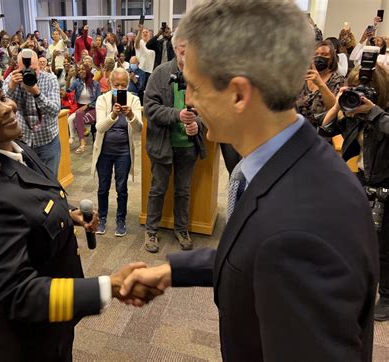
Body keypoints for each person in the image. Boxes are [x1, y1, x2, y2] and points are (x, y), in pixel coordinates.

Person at [120, 1, 379, 361]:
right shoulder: (283, 168)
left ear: (239, 94)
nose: (189, 99)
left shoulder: (300, 231)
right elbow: (254, 250)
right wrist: (171, 270)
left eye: (194, 86)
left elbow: (276, 246)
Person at [0, 69, 159, 362]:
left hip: (54, 319)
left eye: (1, 97)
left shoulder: (11, 146)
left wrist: (69, 213)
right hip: (23, 339)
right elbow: (19, 294)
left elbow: (34, 198)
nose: (8, 107)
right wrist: (108, 286)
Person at [319, 63, 389, 321]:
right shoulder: (352, 112)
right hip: (362, 181)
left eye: (367, 89)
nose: (361, 95)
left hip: (386, 184)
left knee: (385, 246)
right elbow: (323, 130)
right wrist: (338, 105)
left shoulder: (381, 114)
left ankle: (387, 295)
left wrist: (374, 113)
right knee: (354, 239)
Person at [143, 32, 205, 253]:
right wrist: (177, 115)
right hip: (163, 145)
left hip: (188, 147)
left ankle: (181, 229)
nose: (185, 50)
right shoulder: (160, 73)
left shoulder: (199, 76)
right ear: (174, 46)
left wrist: (197, 123)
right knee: (158, 189)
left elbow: (207, 109)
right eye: (181, 45)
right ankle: (151, 231)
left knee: (183, 191)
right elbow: (149, 108)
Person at [91, 68, 142, 236]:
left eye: (123, 85)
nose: (120, 88)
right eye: (116, 84)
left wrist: (131, 115)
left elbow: (139, 128)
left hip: (124, 152)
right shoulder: (101, 100)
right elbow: (99, 127)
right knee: (103, 187)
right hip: (104, 152)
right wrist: (113, 114)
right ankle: (102, 218)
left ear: (128, 85)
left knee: (122, 188)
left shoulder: (133, 100)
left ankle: (121, 220)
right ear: (110, 83)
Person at [3, 50, 62, 176]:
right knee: (28, 182)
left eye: (34, 69)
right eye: (25, 69)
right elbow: (3, 108)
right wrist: (11, 87)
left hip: (47, 141)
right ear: (18, 67)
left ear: (40, 66)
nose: (30, 73)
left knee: (50, 181)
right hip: (23, 142)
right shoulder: (11, 79)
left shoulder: (49, 79)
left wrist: (37, 93)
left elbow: (55, 110)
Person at [296, 40, 345, 127]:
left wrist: (320, 84)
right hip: (297, 126)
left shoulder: (337, 80)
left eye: (324, 54)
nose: (319, 57)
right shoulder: (303, 76)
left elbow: (334, 108)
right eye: (316, 54)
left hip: (320, 130)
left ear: (332, 58)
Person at [67, 63, 100, 153]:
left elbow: (98, 100)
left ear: (88, 70)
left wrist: (88, 105)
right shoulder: (77, 82)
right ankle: (81, 143)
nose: (81, 71)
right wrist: (69, 78)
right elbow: (67, 91)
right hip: (80, 109)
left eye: (83, 69)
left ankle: (82, 143)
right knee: (74, 117)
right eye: (79, 70)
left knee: (77, 119)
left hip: (93, 108)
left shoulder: (95, 84)